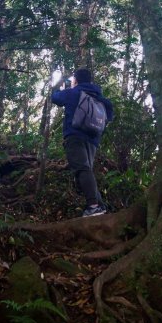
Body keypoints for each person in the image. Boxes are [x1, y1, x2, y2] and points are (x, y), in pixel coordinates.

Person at [52, 67, 114, 217]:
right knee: (87, 170)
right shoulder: (100, 97)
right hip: (93, 140)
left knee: (82, 169)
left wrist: (61, 86)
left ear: (76, 80)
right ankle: (100, 206)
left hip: (75, 136)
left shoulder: (73, 92)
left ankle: (93, 206)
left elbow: (55, 98)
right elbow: (109, 116)